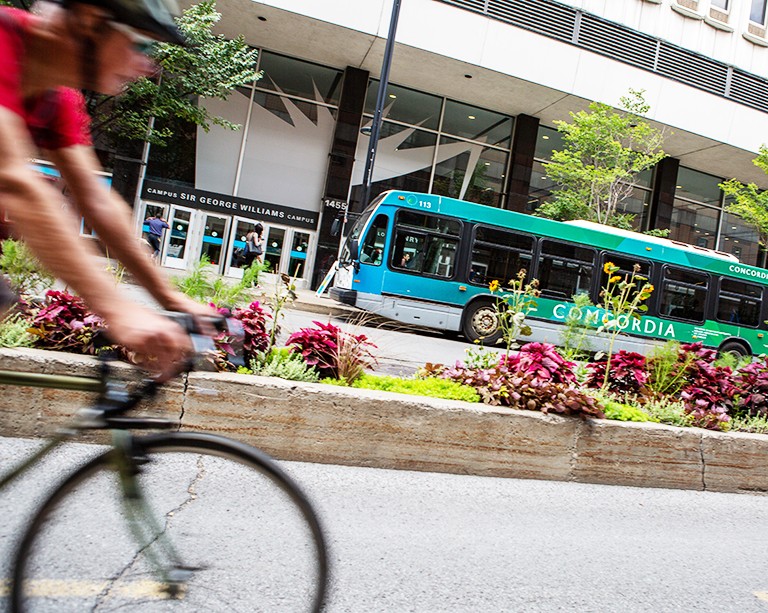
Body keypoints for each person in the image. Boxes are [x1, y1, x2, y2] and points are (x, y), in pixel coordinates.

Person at [0, 0, 216, 379]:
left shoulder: (58, 97)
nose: (148, 67)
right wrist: (118, 310)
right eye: (142, 45)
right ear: (89, 19)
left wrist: (169, 297)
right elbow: (19, 185)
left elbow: (99, 201)